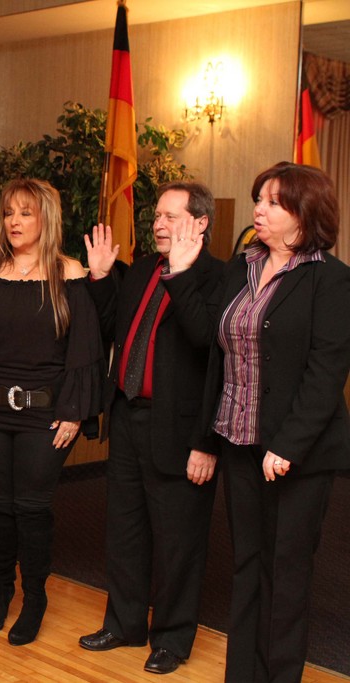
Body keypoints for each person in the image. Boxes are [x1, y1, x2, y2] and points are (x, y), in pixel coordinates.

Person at [170, 162, 350, 682]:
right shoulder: (241, 266)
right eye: (259, 199)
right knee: (248, 566)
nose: (259, 209)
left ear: (304, 214)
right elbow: (210, 344)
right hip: (238, 441)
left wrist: (288, 443)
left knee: (287, 573)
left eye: (273, 201)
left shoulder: (332, 281)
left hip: (296, 453)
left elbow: (326, 372)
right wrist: (181, 274)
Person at [77, 182, 224, 675]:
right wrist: (100, 278)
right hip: (129, 417)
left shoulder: (219, 278)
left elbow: (210, 353)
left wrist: (206, 443)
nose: (157, 224)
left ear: (200, 223)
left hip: (182, 432)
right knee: (125, 532)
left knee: (179, 541)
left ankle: (172, 639)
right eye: (155, 215)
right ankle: (123, 624)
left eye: (169, 216)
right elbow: (112, 327)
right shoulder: (143, 269)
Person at [0, 178, 103, 646]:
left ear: (46, 219)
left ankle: (34, 597)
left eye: (25, 213)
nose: (14, 222)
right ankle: (0, 592)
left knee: (32, 508)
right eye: (8, 214)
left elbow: (84, 349)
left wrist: (75, 411)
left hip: (47, 417)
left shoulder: (69, 273)